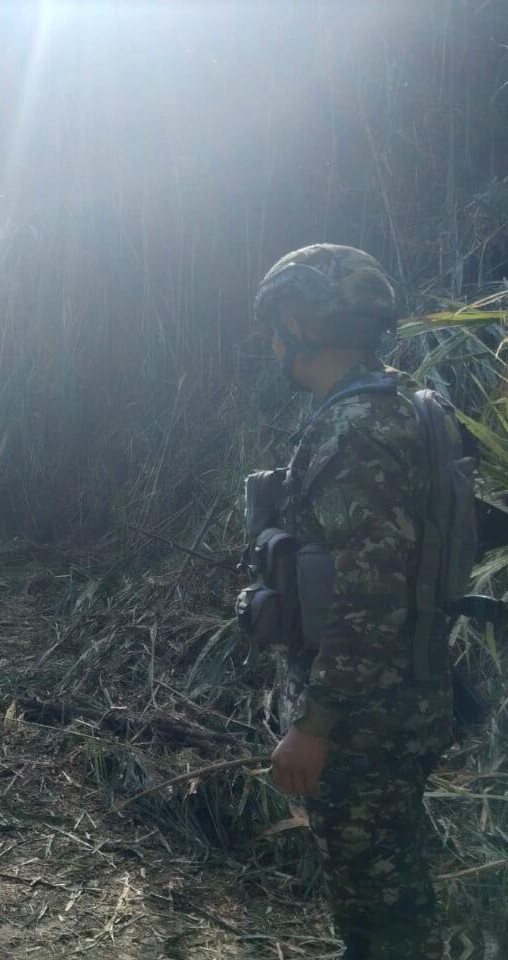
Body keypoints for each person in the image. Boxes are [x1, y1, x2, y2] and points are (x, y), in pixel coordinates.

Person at [249, 244, 453, 959]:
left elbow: (369, 596)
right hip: (398, 699)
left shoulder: (355, 430)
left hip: (365, 717)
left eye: (278, 323)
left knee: (382, 906)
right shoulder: (394, 408)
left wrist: (316, 723)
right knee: (385, 885)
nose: (275, 341)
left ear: (305, 323)